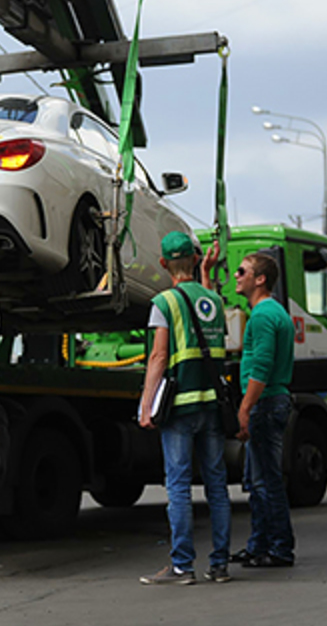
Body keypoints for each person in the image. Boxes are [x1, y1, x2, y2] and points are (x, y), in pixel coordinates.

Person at [137, 233, 232, 585]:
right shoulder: (215, 301)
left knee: (178, 486)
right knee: (217, 484)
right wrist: (206, 273)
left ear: (163, 264)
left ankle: (182, 566)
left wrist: (147, 405)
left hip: (180, 408)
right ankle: (220, 564)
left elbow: (159, 356)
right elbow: (204, 315)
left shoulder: (164, 303)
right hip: (212, 404)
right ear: (194, 259)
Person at [229, 252, 296, 568]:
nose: (236, 275)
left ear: (261, 279)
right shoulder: (272, 312)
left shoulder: (263, 315)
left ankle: (280, 548)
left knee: (266, 481)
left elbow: (262, 365)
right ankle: (258, 546)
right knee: (257, 481)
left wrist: (245, 407)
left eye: (242, 270)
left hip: (266, 404)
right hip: (269, 402)